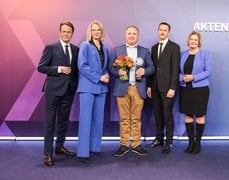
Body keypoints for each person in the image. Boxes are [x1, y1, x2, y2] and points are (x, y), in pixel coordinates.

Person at [109, 25, 155, 157]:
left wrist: (144, 71)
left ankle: (135, 144)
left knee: (136, 118)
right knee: (124, 119)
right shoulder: (117, 50)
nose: (131, 35)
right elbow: (111, 68)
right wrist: (119, 72)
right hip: (122, 87)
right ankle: (123, 144)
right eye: (129, 33)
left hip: (138, 88)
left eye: (134, 34)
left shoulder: (144, 51)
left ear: (138, 36)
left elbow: (152, 67)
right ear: (125, 35)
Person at [37, 22, 79, 166]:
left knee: (63, 121)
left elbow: (77, 71)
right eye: (64, 31)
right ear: (59, 32)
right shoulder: (50, 47)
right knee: (49, 123)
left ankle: (60, 147)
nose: (66, 34)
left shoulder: (76, 49)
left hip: (68, 91)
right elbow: (41, 67)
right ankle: (48, 153)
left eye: (69, 32)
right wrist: (59, 69)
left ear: (72, 34)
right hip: (53, 91)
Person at [76, 20, 110, 163]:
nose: (96, 32)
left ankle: (95, 147)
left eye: (99, 30)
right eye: (94, 30)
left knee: (98, 120)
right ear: (90, 31)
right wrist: (99, 77)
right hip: (87, 87)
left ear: (102, 32)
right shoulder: (85, 45)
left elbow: (105, 66)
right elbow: (82, 65)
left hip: (101, 88)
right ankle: (83, 153)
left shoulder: (105, 48)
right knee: (85, 120)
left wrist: (106, 75)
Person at [146, 22, 180, 154]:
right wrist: (149, 86)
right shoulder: (154, 48)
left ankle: (169, 141)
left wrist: (173, 87)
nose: (162, 32)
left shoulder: (174, 47)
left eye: (165, 30)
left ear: (169, 32)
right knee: (157, 115)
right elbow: (152, 68)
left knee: (167, 116)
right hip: (154, 87)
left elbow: (175, 69)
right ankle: (158, 139)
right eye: (160, 30)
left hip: (167, 88)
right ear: (157, 31)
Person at [179, 31, 212, 154]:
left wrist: (193, 77)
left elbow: (209, 71)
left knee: (199, 115)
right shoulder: (182, 54)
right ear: (188, 41)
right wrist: (181, 78)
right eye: (191, 39)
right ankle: (190, 142)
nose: (193, 41)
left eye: (195, 39)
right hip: (185, 89)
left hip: (200, 90)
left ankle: (197, 143)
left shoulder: (205, 54)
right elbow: (176, 71)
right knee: (187, 116)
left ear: (199, 42)